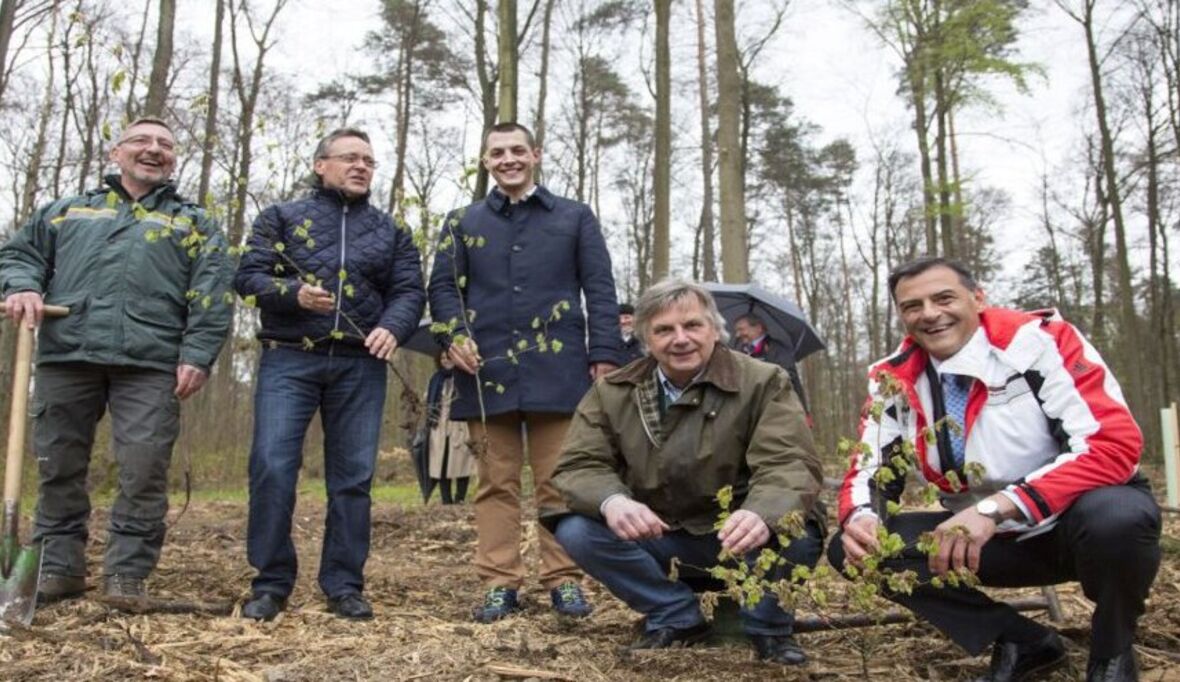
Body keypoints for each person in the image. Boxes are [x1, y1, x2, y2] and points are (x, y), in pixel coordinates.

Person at [829, 257, 1161, 682]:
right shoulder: (894, 377)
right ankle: (1023, 641)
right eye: (913, 306)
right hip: (982, 541)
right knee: (852, 549)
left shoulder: (1039, 343)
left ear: (978, 298)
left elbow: (1110, 445)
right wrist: (862, 516)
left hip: (1073, 526)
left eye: (944, 298)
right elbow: (871, 465)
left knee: (1119, 517)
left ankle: (1112, 651)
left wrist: (997, 508)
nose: (929, 313)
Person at [0, 117, 233, 602]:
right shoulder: (68, 211)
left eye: (165, 145)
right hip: (68, 354)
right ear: (115, 153)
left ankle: (126, 574)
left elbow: (212, 295)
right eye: (141, 141)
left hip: (151, 363)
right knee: (58, 465)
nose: (154, 150)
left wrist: (198, 355)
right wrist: (22, 285)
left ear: (173, 159)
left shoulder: (193, 222)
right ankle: (56, 568)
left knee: (143, 469)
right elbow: (19, 255)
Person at [546, 279, 825, 665]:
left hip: (744, 538)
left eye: (692, 325)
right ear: (645, 337)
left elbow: (790, 461)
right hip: (661, 536)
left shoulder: (764, 381)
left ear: (714, 328)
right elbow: (579, 464)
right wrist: (613, 501)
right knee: (576, 528)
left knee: (798, 524)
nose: (681, 339)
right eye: (664, 329)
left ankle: (769, 629)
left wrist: (762, 512)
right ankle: (675, 616)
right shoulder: (612, 391)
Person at [428, 122, 621, 623]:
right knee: (496, 482)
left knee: (560, 483)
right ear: (486, 161)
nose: (508, 158)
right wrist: (454, 335)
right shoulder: (461, 222)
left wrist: (604, 354)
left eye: (518, 150)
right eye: (498, 152)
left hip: (559, 372)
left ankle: (564, 580)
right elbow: (444, 291)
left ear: (534, 154)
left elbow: (599, 289)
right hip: (485, 373)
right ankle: (500, 582)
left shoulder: (574, 217)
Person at [234, 127, 425, 621]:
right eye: (349, 158)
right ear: (321, 165)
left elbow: (409, 291)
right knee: (273, 467)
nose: (361, 166)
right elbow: (248, 277)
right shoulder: (280, 218)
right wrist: (290, 293)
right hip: (289, 356)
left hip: (360, 363)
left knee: (353, 479)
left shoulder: (390, 231)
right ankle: (271, 583)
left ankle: (343, 584)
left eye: (369, 160)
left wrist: (392, 327)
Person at [733, 313, 810, 416]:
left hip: (779, 410)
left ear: (758, 328)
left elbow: (789, 376)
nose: (737, 335)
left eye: (741, 329)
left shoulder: (778, 349)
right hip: (747, 411)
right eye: (737, 331)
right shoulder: (738, 351)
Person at [424, 355, 474, 504]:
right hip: (439, 426)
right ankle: (446, 499)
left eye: (449, 358)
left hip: (459, 424)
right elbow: (428, 399)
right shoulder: (435, 379)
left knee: (462, 462)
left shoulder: (464, 377)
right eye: (443, 358)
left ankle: (460, 498)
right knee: (442, 462)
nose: (446, 360)